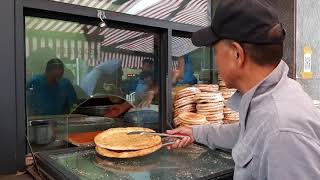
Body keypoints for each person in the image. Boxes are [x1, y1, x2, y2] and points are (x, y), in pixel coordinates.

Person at [167, 0, 320, 180]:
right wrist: (195, 132)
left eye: (216, 51)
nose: (215, 61)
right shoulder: (270, 102)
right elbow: (245, 134)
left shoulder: (283, 133)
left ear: (237, 54)